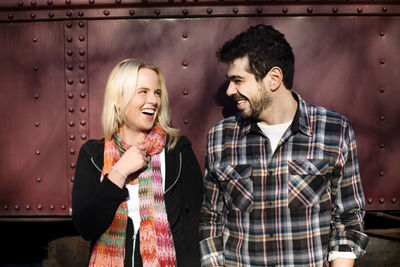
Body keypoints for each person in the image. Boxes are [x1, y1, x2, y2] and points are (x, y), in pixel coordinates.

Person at [199, 24, 369, 267]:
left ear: (274, 78)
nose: (229, 90)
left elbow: (348, 218)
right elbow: (211, 219)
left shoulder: (333, 131)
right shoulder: (220, 138)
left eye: (238, 80)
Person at [72, 58, 203, 267]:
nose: (153, 100)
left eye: (157, 92)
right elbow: (86, 227)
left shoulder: (177, 151)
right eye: (143, 91)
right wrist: (119, 171)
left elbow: (195, 226)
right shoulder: (92, 155)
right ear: (119, 97)